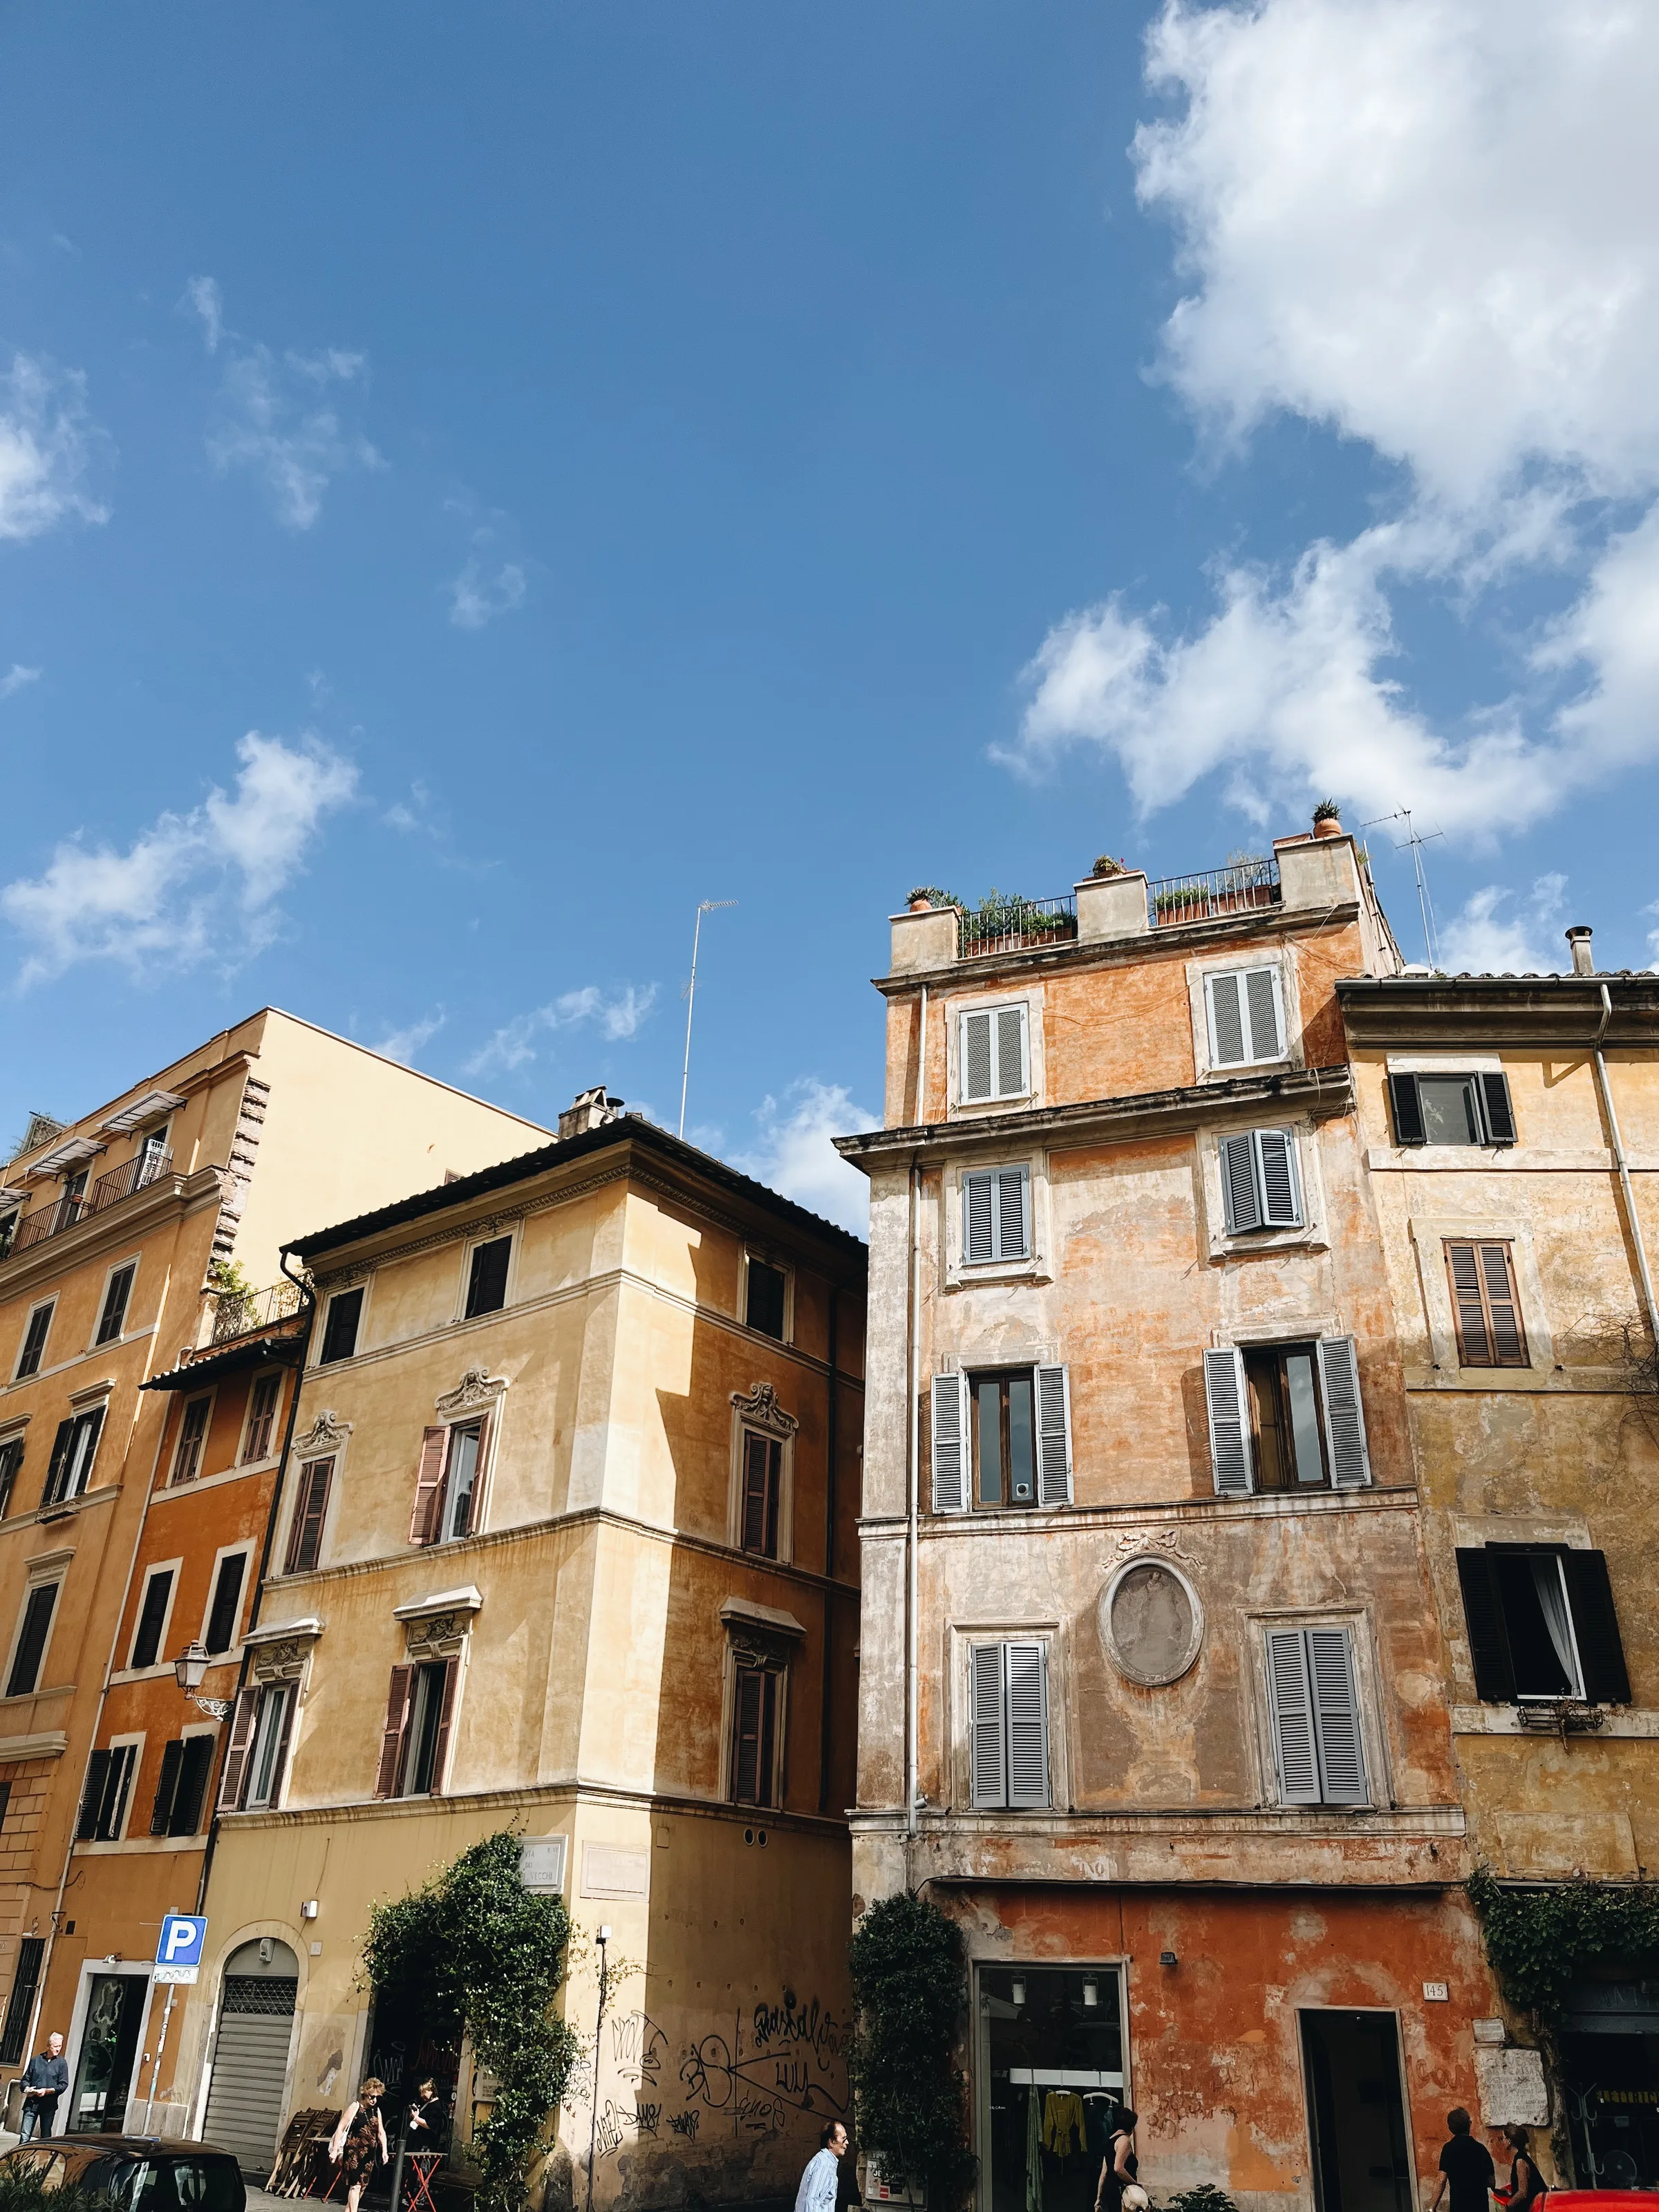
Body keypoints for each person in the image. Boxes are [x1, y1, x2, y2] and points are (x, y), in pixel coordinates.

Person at [329, 2077, 390, 2212]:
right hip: (353, 2153)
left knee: (362, 2187)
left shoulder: (376, 2111)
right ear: (365, 2094)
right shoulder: (355, 2107)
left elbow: (381, 2132)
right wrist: (335, 2149)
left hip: (369, 2155)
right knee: (355, 2186)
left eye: (377, 2097)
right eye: (372, 2097)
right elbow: (340, 2128)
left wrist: (385, 2151)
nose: (374, 2100)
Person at [1432, 2108, 1497, 2212]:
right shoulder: (1481, 2149)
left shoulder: (1449, 2149)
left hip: (1459, 2206)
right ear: (1469, 2124)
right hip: (1480, 2206)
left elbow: (1441, 2179)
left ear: (1450, 2128)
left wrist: (1433, 2207)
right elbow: (1491, 2182)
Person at [19, 2034, 66, 2141]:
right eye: (56, 2046)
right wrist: (27, 2088)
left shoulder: (61, 2063)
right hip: (32, 2104)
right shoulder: (36, 2060)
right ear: (48, 2046)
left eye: (60, 2046)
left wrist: (47, 2091)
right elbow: (25, 2080)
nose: (58, 2049)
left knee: (46, 2137)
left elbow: (63, 2085)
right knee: (25, 2135)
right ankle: (22, 2152)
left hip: (49, 2105)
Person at [796, 2121, 849, 2212]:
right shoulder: (824, 2165)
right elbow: (813, 2201)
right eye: (844, 2139)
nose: (847, 2143)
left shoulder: (825, 2161)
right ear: (832, 2142)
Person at [1095, 2106, 1139, 2212]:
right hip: (1122, 2190)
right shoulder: (1124, 2140)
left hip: (1111, 2189)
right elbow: (1118, 2168)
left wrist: (1099, 2198)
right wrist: (1136, 2185)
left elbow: (1104, 2173)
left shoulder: (1110, 2141)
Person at [1504, 2127, 1546, 2212]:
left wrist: (1507, 2207)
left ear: (1509, 2141)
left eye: (1503, 2138)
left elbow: (1523, 2192)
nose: (1502, 2141)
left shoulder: (1520, 2161)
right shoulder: (1522, 2157)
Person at [407, 2079, 449, 2154]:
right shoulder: (426, 2103)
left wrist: (416, 2118)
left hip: (426, 2144)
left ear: (431, 2091)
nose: (422, 2095)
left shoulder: (436, 2106)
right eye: (421, 2092)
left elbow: (429, 2125)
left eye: (424, 2092)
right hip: (417, 2141)